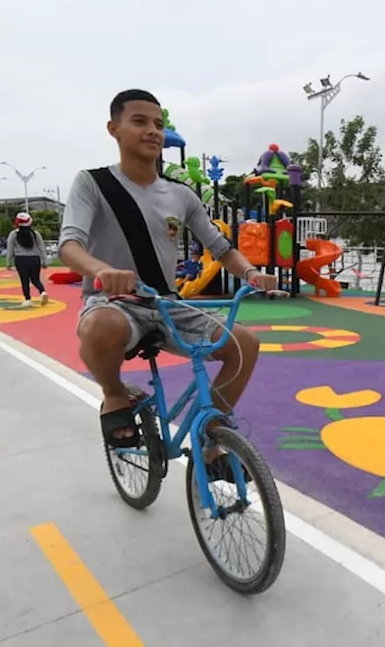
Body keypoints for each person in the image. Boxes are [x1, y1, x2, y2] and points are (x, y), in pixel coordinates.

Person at [59, 89, 276, 479]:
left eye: (158, 125)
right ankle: (114, 395)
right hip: (115, 302)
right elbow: (69, 245)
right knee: (100, 327)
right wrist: (102, 270)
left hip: (166, 304)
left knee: (246, 344)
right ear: (114, 129)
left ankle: (212, 437)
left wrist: (251, 273)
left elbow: (221, 247)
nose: (152, 132)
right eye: (139, 122)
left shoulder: (181, 194)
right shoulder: (92, 184)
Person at [6, 213, 49, 306]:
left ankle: (28, 299)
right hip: (35, 259)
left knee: (24, 280)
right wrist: (45, 261)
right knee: (36, 279)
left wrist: (8, 263)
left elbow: (10, 249)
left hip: (21, 259)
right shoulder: (35, 234)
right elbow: (42, 248)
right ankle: (42, 292)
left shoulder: (13, 234)